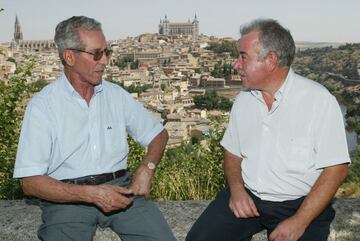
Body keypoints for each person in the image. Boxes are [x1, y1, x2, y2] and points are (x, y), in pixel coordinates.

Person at [13, 16, 176, 241]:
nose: (105, 61)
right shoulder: (43, 106)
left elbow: (159, 134)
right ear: (69, 57)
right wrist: (92, 194)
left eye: (107, 52)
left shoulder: (115, 95)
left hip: (122, 190)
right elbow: (30, 182)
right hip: (68, 200)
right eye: (97, 54)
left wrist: (147, 169)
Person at [186, 19, 350, 241]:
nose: (236, 64)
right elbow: (232, 153)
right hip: (249, 196)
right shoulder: (244, 100)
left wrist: (300, 221)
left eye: (243, 57)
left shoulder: (319, 101)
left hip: (300, 204)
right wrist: (237, 191)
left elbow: (337, 168)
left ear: (270, 60)